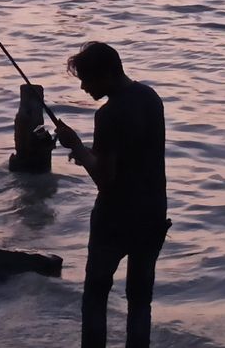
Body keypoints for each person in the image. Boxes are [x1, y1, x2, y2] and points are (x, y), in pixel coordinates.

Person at [55, 42, 169, 348]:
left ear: (106, 74)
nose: (83, 86)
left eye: (87, 79)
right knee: (140, 299)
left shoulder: (109, 114)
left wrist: (76, 146)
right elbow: (131, 158)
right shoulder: (150, 98)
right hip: (153, 214)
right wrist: (88, 153)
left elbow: (105, 179)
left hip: (115, 219)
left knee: (96, 294)